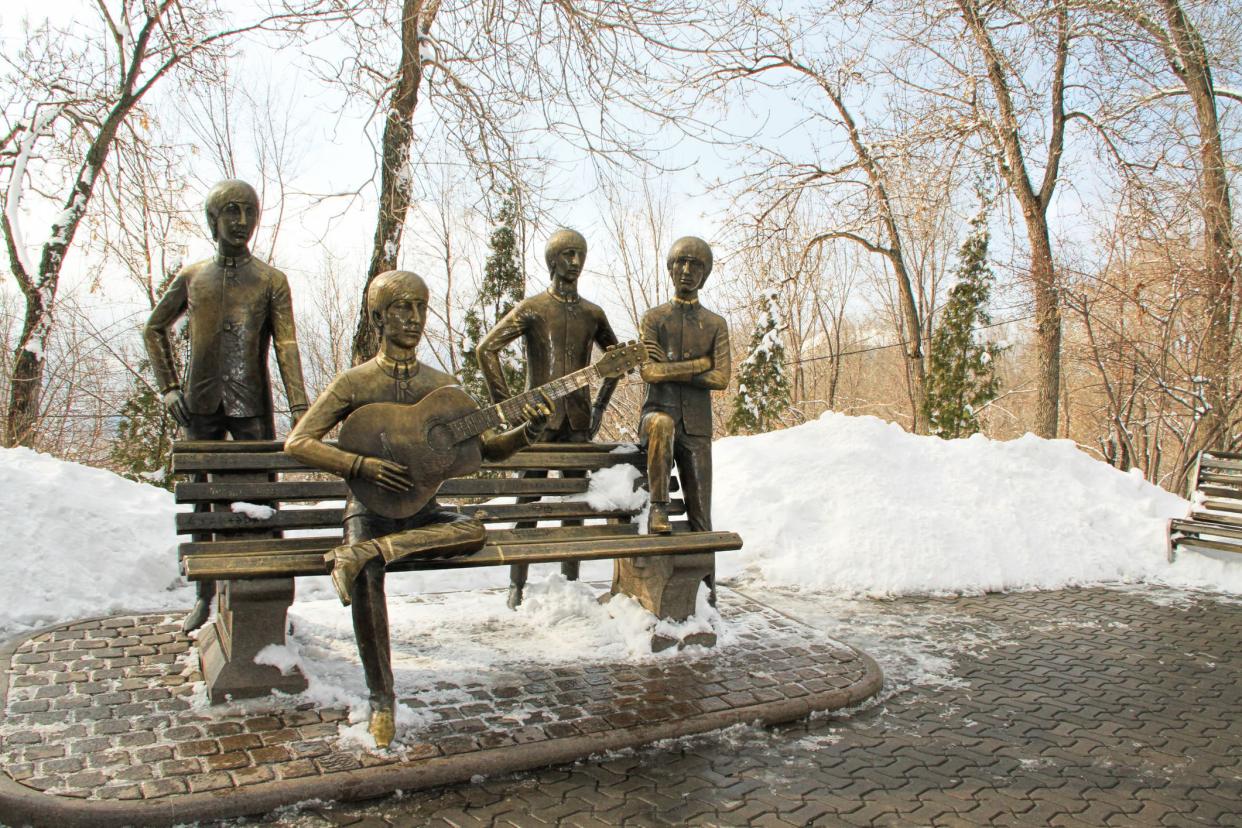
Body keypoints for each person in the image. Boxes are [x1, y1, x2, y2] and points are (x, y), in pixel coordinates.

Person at [285, 270, 550, 748]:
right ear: (378, 317)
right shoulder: (354, 382)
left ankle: (366, 552)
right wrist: (358, 464)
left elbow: (487, 449)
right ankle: (382, 698)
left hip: (424, 511)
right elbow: (299, 441)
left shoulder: (441, 384)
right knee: (368, 577)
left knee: (473, 531)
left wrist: (527, 432)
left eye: (420, 307)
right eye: (402, 308)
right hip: (368, 508)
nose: (413, 318)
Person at [144, 179, 309, 633]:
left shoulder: (271, 280)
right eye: (231, 211)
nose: (241, 222)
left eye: (249, 212)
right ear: (213, 219)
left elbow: (287, 344)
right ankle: (204, 593)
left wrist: (300, 406)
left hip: (251, 404)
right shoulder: (194, 277)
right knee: (202, 499)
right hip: (198, 404)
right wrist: (168, 387)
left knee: (262, 497)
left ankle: (269, 599)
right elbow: (153, 328)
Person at [477, 228, 619, 609]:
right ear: (552, 260)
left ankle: (570, 583)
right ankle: (517, 584)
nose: (575, 262)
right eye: (568, 254)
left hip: (577, 422)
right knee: (529, 505)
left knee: (575, 505)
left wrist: (601, 406)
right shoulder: (533, 308)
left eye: (580, 255)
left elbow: (618, 361)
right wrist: (508, 408)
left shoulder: (593, 313)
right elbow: (486, 349)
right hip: (536, 424)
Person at [639, 236, 731, 540]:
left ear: (704, 274)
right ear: (670, 267)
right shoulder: (654, 319)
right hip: (656, 417)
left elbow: (721, 378)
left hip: (697, 426)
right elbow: (650, 372)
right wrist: (698, 364)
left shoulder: (715, 324)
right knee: (663, 425)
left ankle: (708, 586)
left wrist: (671, 371)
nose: (687, 269)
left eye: (696, 264)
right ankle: (658, 507)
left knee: (702, 515)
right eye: (681, 261)